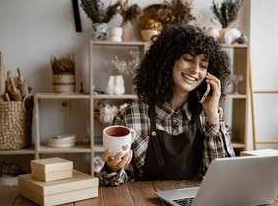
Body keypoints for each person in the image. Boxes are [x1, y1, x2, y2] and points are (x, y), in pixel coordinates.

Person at [98, 24, 235, 186]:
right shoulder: (129, 117)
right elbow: (118, 183)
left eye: (203, 65)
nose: (195, 70)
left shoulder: (209, 115)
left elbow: (224, 178)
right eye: (188, 59)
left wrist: (213, 116)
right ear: (168, 60)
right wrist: (112, 168)